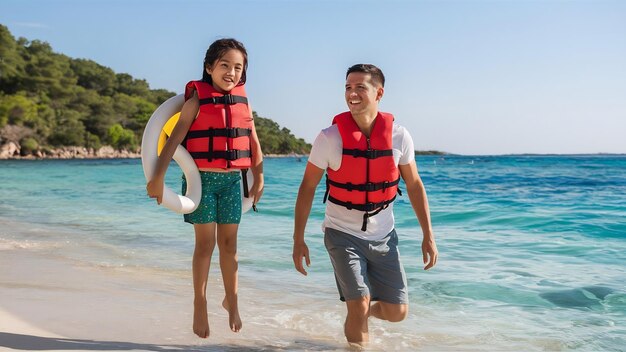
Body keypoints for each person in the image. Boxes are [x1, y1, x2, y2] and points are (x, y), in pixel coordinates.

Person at [292, 64, 438, 347]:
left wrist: (428, 235)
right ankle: (356, 315)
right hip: (341, 234)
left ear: (379, 92)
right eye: (348, 87)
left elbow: (415, 185)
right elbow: (307, 187)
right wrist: (298, 239)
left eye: (361, 87)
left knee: (397, 313)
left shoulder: (399, 136)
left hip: (384, 237)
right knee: (357, 305)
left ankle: (357, 314)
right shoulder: (329, 138)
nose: (352, 93)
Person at [147, 38, 264, 339]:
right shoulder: (196, 100)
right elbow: (172, 141)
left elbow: (252, 142)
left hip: (231, 182)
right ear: (209, 67)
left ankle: (232, 299)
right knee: (205, 246)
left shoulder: (244, 102)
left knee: (230, 246)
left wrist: (259, 177)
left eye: (238, 67)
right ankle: (200, 301)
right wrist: (158, 177)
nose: (231, 72)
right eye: (224, 65)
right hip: (201, 181)